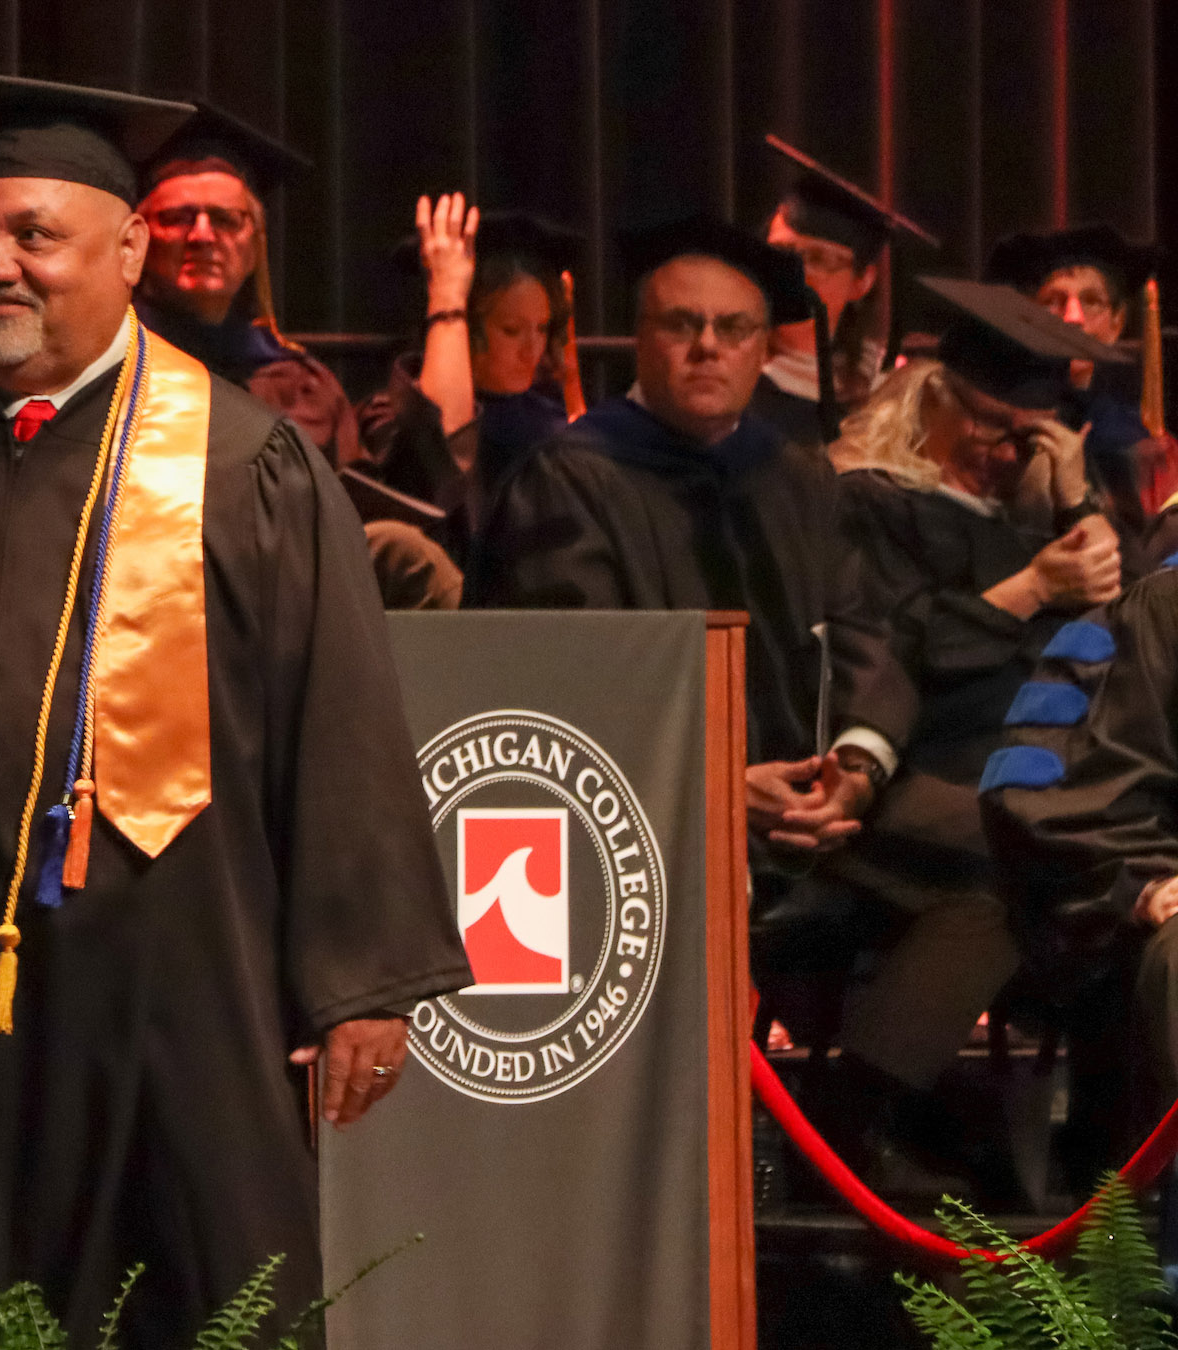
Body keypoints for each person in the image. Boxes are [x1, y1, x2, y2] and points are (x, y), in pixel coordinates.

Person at [0, 72, 468, 1350]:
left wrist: (361, 980)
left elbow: (334, 718)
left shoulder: (243, 467)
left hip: (157, 992)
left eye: (34, 237)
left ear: (127, 252)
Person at [471, 213, 916, 898]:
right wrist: (719, 789)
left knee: (984, 861)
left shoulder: (795, 477)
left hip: (814, 814)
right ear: (639, 339)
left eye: (734, 329)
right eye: (682, 325)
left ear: (764, 349)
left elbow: (865, 630)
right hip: (643, 823)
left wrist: (855, 771)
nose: (708, 346)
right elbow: (560, 691)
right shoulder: (570, 479)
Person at [788, 281, 1120, 1186]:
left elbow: (1116, 645)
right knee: (1041, 847)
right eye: (985, 421)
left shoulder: (1032, 526)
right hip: (895, 775)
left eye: (1028, 435)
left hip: (1011, 789)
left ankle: (1105, 1151)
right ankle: (854, 1118)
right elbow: (888, 661)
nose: (1000, 449)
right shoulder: (871, 501)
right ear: (932, 398)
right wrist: (1031, 589)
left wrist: (1076, 493)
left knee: (1095, 857)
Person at [130, 104, 360, 466]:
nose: (202, 236)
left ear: (255, 244)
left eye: (225, 219)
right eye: (177, 218)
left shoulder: (300, 384)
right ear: (137, 239)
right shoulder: (108, 364)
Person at [361, 197, 583, 564]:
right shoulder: (396, 417)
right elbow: (444, 459)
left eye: (542, 328)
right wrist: (448, 295)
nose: (533, 351)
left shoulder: (549, 423)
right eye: (510, 331)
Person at [986, 225, 1170, 539]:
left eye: (1091, 301)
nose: (1072, 317)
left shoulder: (1139, 438)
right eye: (1053, 301)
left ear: (1117, 323)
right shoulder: (994, 425)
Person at [751, 151, 933, 447]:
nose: (794, 271)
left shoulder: (884, 396)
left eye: (819, 258)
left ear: (862, 282)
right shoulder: (731, 378)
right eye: (782, 252)